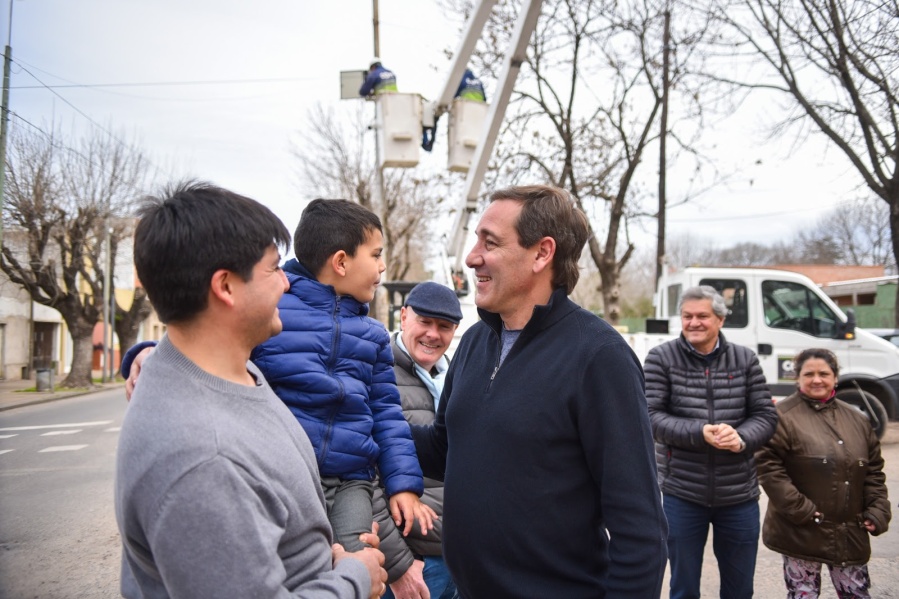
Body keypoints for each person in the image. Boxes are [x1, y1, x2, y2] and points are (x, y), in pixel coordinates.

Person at [115, 182, 386, 598]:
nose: (288, 284)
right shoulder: (203, 458)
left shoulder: (235, 372)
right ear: (225, 287)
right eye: (275, 268)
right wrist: (354, 577)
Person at [412, 185, 668, 597]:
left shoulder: (599, 356)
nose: (471, 256)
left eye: (489, 242)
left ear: (542, 253)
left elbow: (639, 527)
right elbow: (447, 448)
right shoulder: (476, 341)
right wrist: (365, 419)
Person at [645, 284, 778, 599]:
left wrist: (741, 437)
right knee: (683, 587)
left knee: (739, 588)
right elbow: (649, 416)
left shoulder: (744, 359)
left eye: (702, 316)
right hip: (682, 493)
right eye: (687, 316)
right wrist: (699, 432)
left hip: (739, 495)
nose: (693, 323)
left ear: (720, 319)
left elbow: (766, 416)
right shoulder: (661, 358)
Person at [756, 348, 891, 599]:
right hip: (801, 530)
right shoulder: (781, 416)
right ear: (797, 378)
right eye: (809, 374)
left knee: (856, 594)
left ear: (835, 378)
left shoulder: (857, 420)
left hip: (851, 531)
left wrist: (878, 510)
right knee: (803, 594)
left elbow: (873, 471)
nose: (816, 379)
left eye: (823, 373)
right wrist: (802, 510)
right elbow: (769, 469)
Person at [376, 282, 462, 599]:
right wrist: (399, 563)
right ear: (403, 317)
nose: (433, 334)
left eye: (444, 326)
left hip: (461, 555)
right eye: (424, 322)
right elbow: (361, 480)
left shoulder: (457, 376)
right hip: (412, 561)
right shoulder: (376, 373)